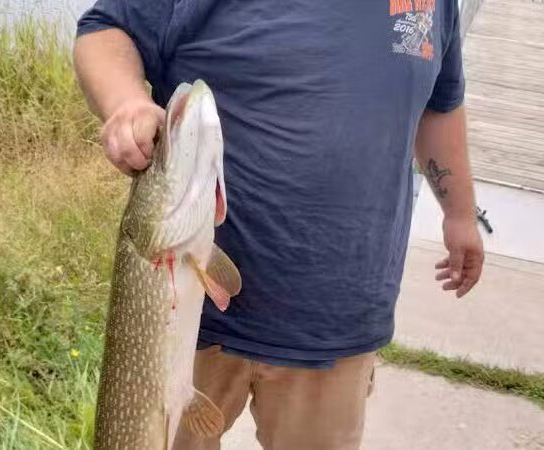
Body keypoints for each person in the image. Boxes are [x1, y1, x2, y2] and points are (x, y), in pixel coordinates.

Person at [73, 1, 484, 449]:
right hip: (187, 327)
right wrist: (127, 102)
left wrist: (460, 213)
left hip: (336, 316)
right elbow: (108, 29)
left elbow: (439, 102)